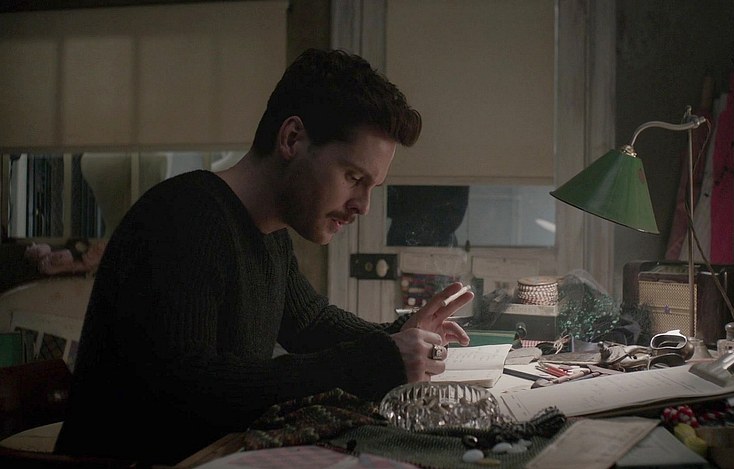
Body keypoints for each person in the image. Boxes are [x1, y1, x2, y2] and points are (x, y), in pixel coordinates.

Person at [54, 48, 473, 467]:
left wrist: (401, 337)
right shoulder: (184, 218)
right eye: (353, 177)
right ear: (292, 139)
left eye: (372, 187)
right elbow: (192, 393)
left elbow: (311, 323)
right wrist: (379, 360)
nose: (362, 206)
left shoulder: (269, 233)